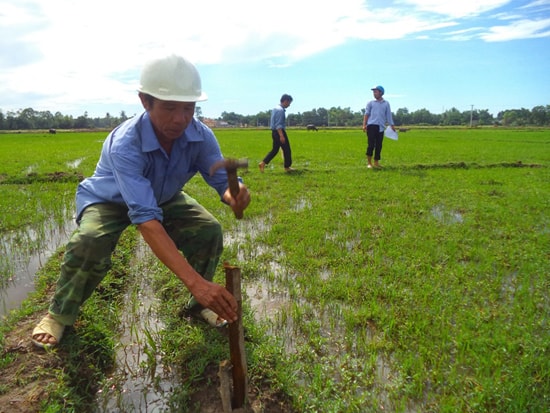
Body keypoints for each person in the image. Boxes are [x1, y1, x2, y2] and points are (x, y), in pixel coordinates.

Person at [31, 54, 251, 348]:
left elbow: (221, 180)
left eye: (189, 108)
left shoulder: (200, 135)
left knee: (208, 230)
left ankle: (199, 306)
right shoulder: (126, 143)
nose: (180, 118)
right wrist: (196, 283)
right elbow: (147, 220)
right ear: (145, 102)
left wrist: (233, 195)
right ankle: (59, 314)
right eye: (169, 107)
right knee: (90, 240)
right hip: (109, 200)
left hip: (164, 196)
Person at [362, 85, 396, 168]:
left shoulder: (386, 103)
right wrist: (364, 125)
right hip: (371, 126)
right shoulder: (370, 103)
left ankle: (376, 162)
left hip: (380, 127)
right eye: (373, 92)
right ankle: (369, 163)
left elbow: (388, 115)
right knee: (371, 145)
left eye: (376, 91)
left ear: (381, 93)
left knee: (379, 145)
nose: (374, 93)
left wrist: (392, 125)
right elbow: (366, 114)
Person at [259, 94, 294, 173]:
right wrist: (281, 136)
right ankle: (287, 167)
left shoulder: (275, 108)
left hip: (274, 132)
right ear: (285, 101)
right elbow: (278, 125)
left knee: (275, 150)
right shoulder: (280, 111)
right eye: (289, 103)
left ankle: (263, 163)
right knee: (287, 149)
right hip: (279, 132)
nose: (289, 105)